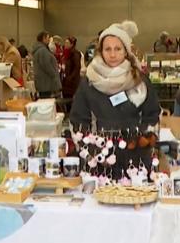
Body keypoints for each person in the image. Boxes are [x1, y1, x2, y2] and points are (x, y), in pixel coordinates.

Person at [70, 21, 160, 176]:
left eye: (118, 49)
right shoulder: (89, 83)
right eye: (107, 49)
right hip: (100, 160)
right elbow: (78, 120)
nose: (112, 54)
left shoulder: (140, 81)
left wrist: (141, 142)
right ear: (100, 51)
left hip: (136, 160)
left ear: (126, 51)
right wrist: (93, 150)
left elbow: (152, 115)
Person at [33, 31, 62, 99]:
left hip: (43, 83)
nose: (49, 40)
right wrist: (54, 74)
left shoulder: (41, 50)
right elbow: (47, 66)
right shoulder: (42, 51)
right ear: (44, 38)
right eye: (48, 38)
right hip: (46, 84)